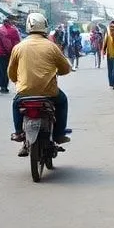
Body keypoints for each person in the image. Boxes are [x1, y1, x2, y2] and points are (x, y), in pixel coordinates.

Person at [7, 12, 71, 154]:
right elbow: (66, 68)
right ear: (45, 27)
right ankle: (59, 134)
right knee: (62, 101)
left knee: (16, 104)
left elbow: (11, 73)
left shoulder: (19, 47)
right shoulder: (52, 47)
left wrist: (17, 80)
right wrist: (58, 72)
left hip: (24, 93)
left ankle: (18, 132)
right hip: (49, 93)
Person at [0, 16, 21, 94]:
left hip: (0, 53)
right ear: (9, 22)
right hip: (10, 53)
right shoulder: (14, 31)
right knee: (8, 69)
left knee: (2, 70)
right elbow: (17, 42)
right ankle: (5, 86)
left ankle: (3, 87)